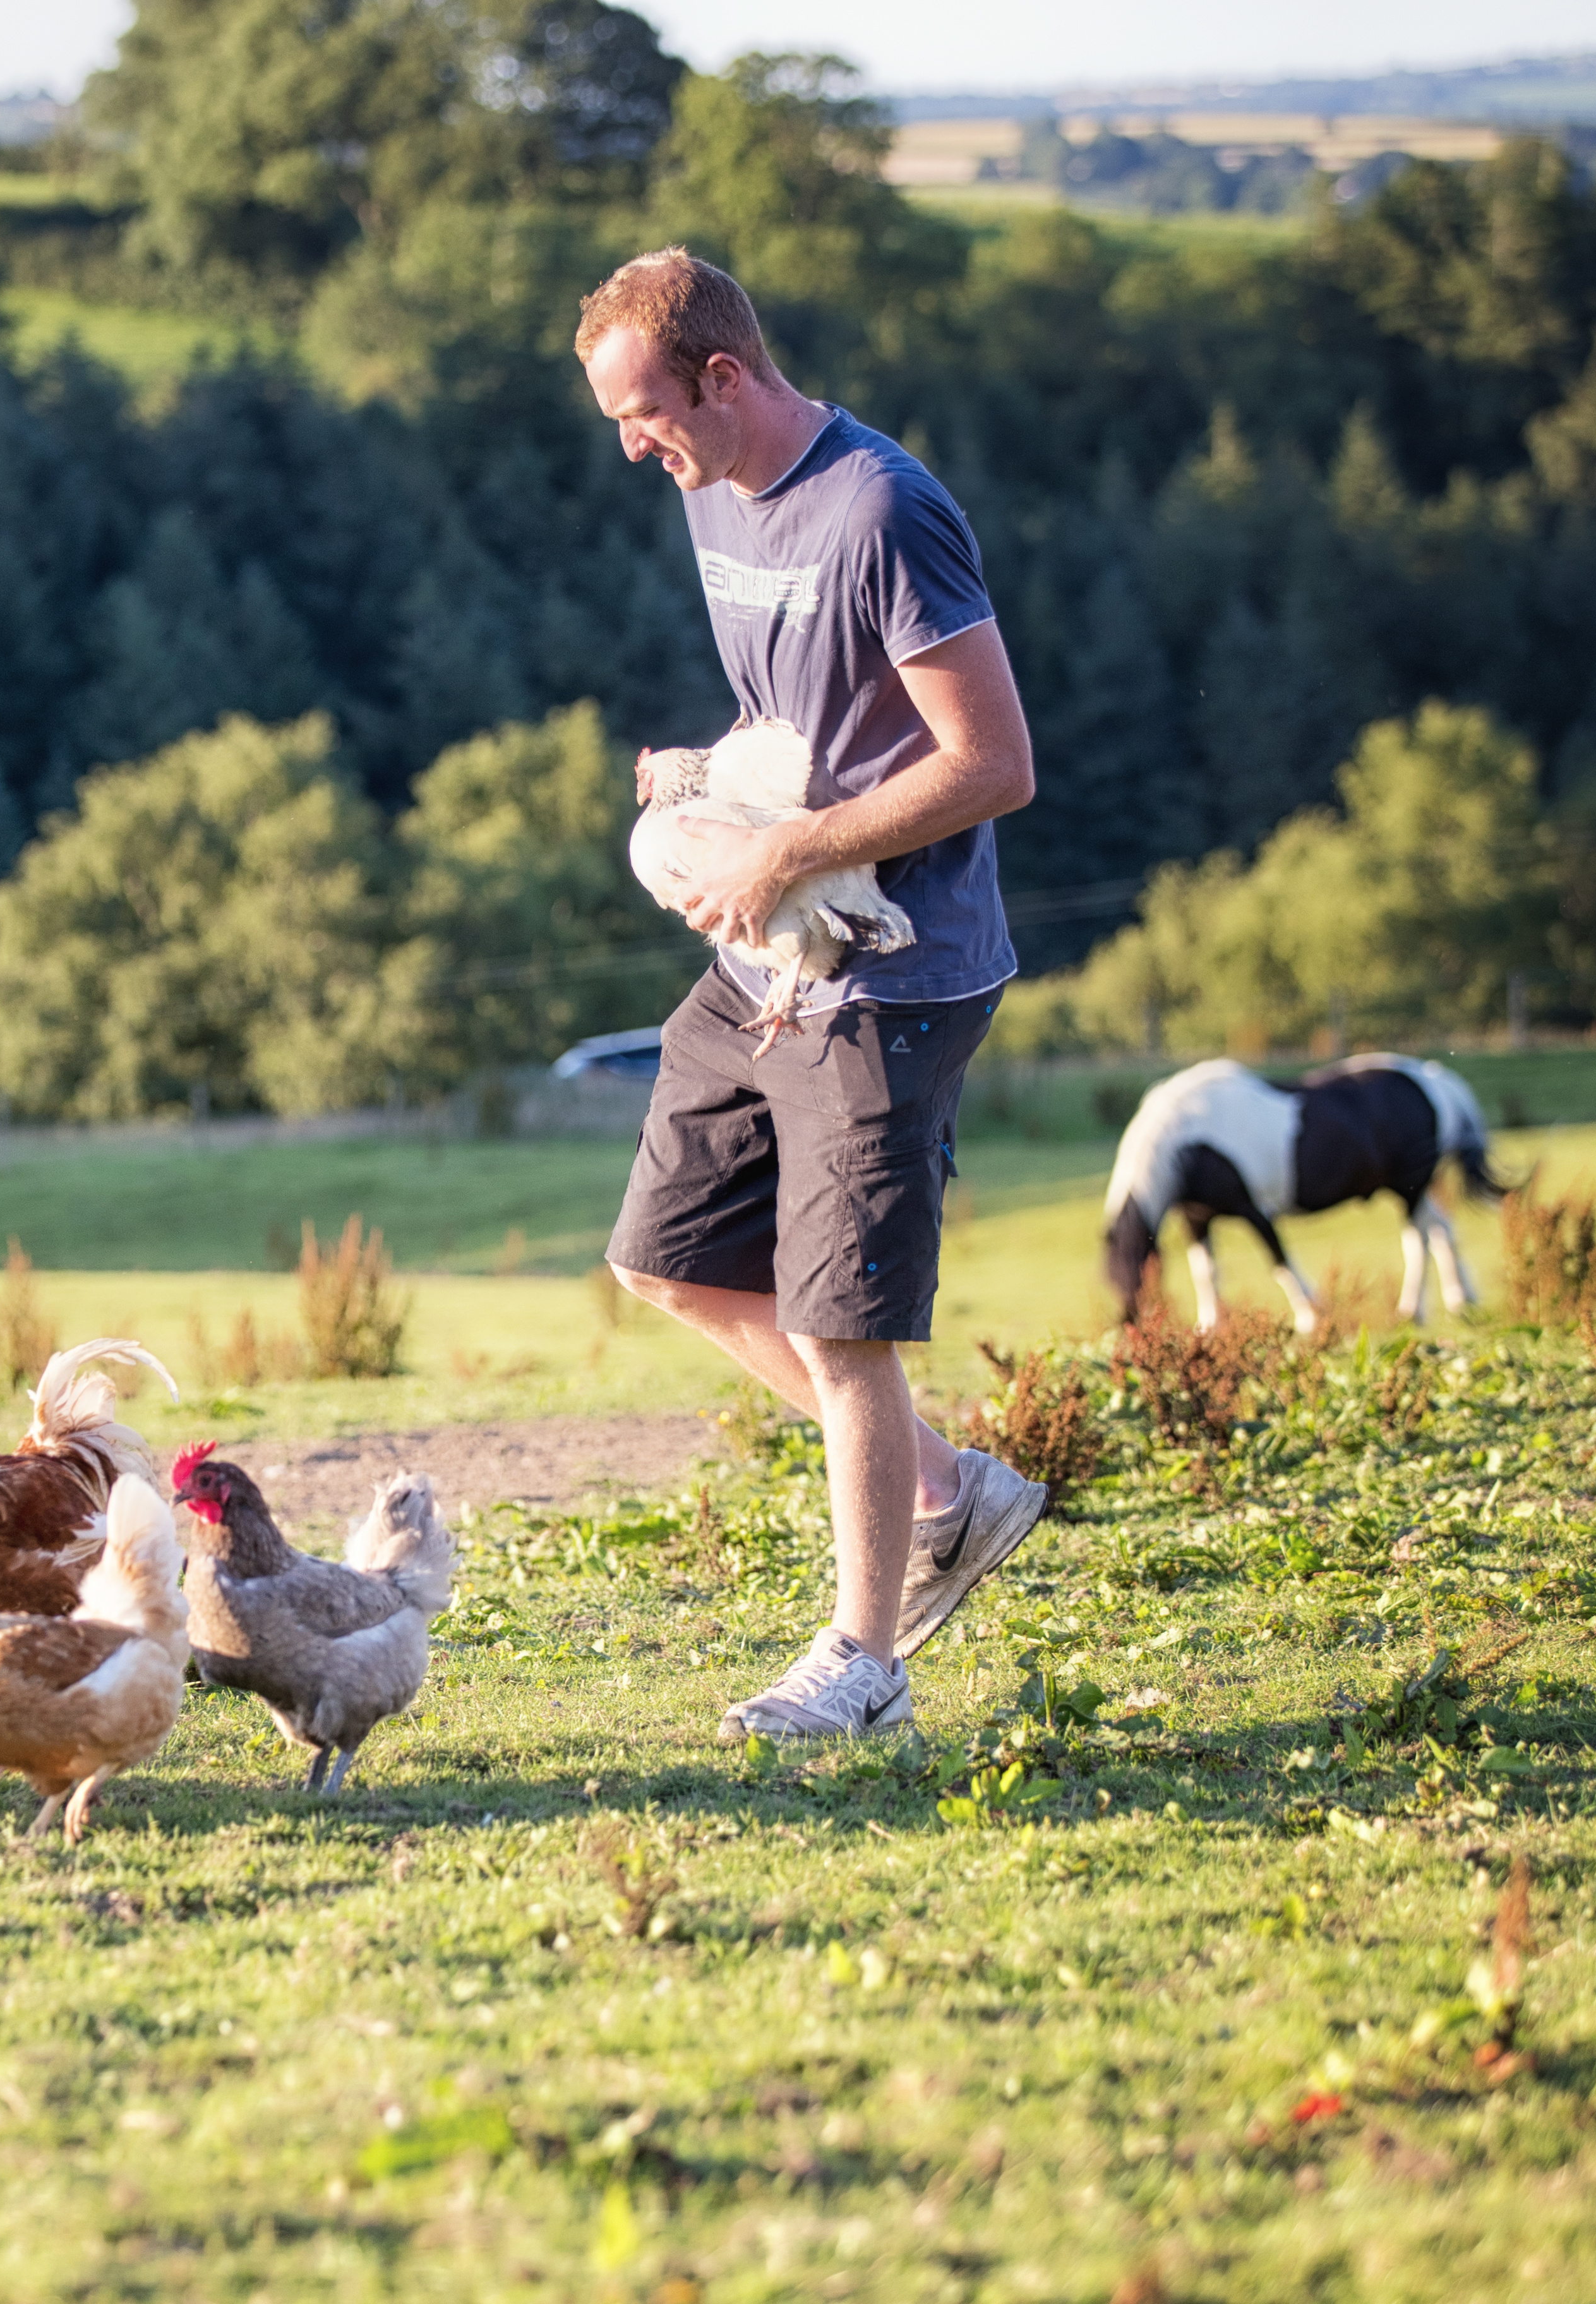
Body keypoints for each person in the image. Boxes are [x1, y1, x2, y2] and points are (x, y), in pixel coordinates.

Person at [575, 246, 1047, 1741]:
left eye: (648, 415)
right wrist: (711, 777)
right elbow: (806, 717)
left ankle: (866, 1667)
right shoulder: (713, 491)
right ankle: (954, 1493)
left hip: (893, 974)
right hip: (768, 951)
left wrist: (786, 841)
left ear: (724, 376)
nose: (637, 452)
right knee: (665, 1259)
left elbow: (992, 766)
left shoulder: (884, 509)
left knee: (846, 1329)